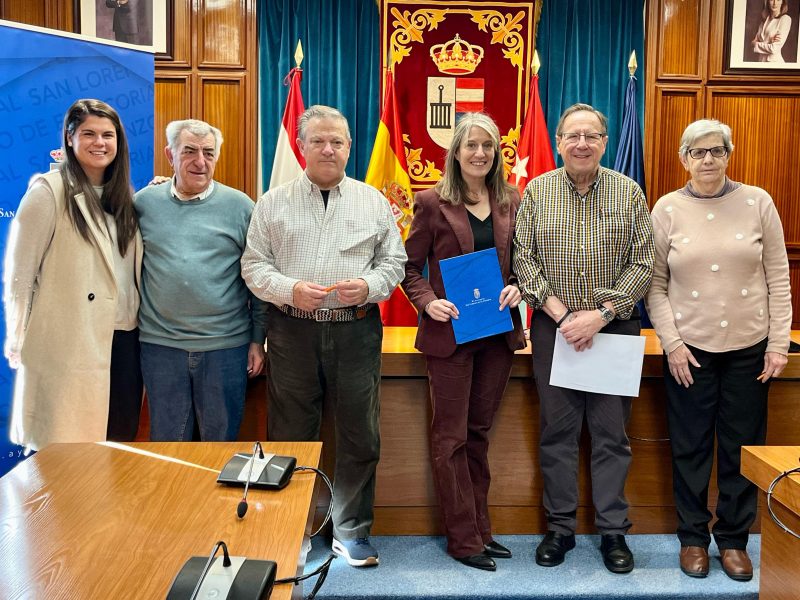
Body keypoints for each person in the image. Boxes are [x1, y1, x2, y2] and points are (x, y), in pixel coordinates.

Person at [241, 105, 406, 568]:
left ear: (350, 148)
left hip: (356, 331)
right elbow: (253, 266)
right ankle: (290, 527)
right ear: (302, 146)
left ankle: (350, 530)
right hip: (291, 331)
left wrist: (370, 287)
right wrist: (289, 289)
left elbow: (394, 264)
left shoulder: (373, 201)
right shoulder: (272, 202)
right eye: (318, 140)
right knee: (290, 433)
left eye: (337, 141)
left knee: (359, 433)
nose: (329, 149)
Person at [645, 119, 791, 581]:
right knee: (689, 448)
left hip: (750, 347)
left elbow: (779, 278)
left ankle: (733, 540)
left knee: (739, 448)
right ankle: (692, 539)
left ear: (729, 154)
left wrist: (779, 344)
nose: (708, 160)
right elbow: (654, 286)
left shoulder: (758, 202)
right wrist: (671, 342)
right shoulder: (666, 209)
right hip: (690, 351)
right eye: (698, 152)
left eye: (716, 151)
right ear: (683, 159)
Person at [513, 103, 654, 574]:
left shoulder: (629, 192)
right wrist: (560, 314)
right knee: (558, 433)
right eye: (573, 136)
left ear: (605, 142)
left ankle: (613, 531)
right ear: (558, 141)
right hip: (555, 332)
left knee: (612, 436)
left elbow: (643, 265)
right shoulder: (536, 191)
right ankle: (560, 529)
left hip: (614, 330)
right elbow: (524, 260)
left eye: (591, 136)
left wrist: (599, 315)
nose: (581, 144)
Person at [401, 113, 525, 572]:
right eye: (471, 145)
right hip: (450, 334)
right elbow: (408, 267)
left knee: (477, 434)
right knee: (450, 436)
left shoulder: (510, 199)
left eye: (488, 146)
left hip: (495, 331)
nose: (479, 153)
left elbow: (521, 262)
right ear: (455, 151)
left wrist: (518, 287)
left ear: (497, 153)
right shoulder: (432, 202)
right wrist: (428, 302)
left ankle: (483, 530)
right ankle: (462, 538)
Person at [3, 98, 143, 451]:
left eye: (108, 135)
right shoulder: (48, 192)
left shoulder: (125, 197)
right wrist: (18, 336)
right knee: (69, 455)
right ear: (69, 138)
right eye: (89, 134)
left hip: (124, 343)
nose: (100, 143)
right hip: (71, 341)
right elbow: (19, 276)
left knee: (117, 447)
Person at [135, 119, 266, 442]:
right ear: (170, 155)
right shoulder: (143, 205)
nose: (200, 162)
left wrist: (257, 339)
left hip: (226, 347)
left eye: (209, 153)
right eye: (189, 151)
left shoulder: (241, 207)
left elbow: (258, 280)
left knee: (220, 447)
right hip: (161, 347)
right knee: (168, 446)